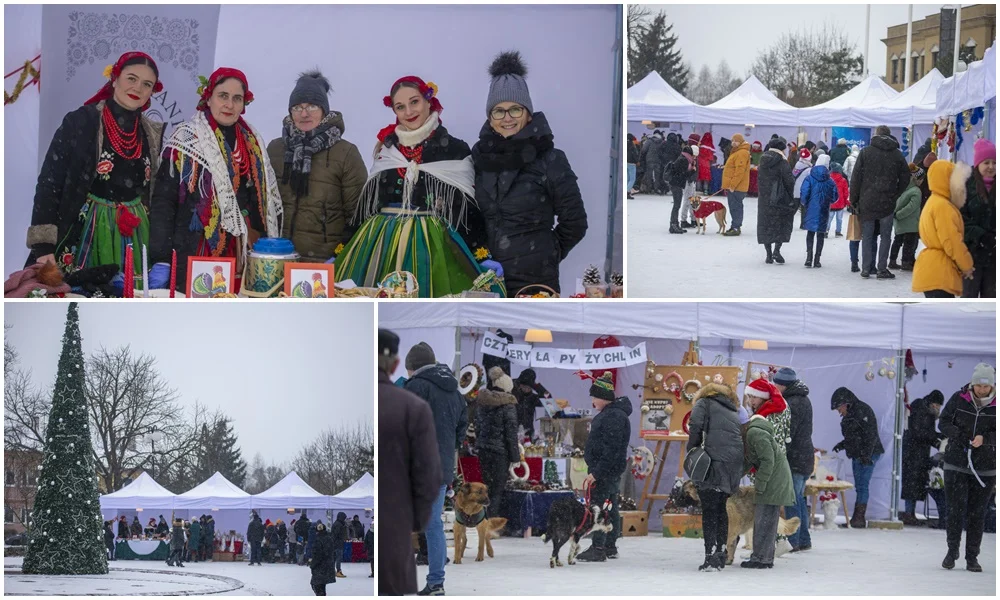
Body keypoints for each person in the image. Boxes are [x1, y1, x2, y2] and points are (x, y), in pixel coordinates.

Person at [26, 51, 166, 279]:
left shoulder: (151, 132)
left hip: (136, 234)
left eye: (146, 84)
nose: (138, 88)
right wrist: (43, 246)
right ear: (114, 78)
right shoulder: (81, 121)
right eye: (131, 78)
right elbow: (50, 183)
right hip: (84, 233)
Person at [149, 67, 283, 290]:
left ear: (244, 104)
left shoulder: (253, 142)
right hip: (197, 246)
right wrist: (161, 257)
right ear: (208, 98)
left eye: (237, 98)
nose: (229, 105)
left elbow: (259, 198)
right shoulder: (186, 140)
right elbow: (164, 201)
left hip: (243, 249)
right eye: (223, 96)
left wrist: (258, 233)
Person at [471, 51, 587, 297]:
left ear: (528, 113)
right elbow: (472, 217)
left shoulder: (550, 159)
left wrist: (545, 253)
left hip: (535, 280)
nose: (507, 118)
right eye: (499, 111)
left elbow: (575, 222)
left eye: (515, 109)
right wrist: (479, 254)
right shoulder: (479, 159)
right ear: (490, 117)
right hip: (487, 280)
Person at [266, 70, 367, 262]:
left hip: (323, 264)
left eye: (311, 106)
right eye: (297, 107)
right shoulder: (275, 149)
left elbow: (358, 215)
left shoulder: (346, 153)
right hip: (277, 259)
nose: (304, 113)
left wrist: (340, 255)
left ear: (324, 110)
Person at [377, 329, 442, 596]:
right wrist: (412, 522)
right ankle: (437, 579)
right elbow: (427, 476)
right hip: (393, 531)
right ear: (394, 364)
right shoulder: (412, 407)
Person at [403, 341, 466, 596]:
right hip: (441, 467)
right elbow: (462, 428)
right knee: (433, 525)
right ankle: (436, 581)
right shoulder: (455, 391)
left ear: (414, 368)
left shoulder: (416, 387)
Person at [937, 363, 995, 573]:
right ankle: (952, 552)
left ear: (993, 386)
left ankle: (972, 557)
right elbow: (942, 422)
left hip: (985, 469)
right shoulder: (959, 398)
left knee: (977, 514)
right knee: (954, 511)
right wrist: (959, 436)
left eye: (985, 386)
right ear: (972, 383)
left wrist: (986, 438)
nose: (981, 389)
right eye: (978, 385)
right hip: (957, 463)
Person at [686, 380, 744, 571]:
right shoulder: (731, 409)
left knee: (709, 510)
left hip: (712, 463)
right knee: (721, 509)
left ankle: (709, 554)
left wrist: (692, 450)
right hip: (731, 465)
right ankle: (720, 553)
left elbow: (695, 426)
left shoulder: (704, 402)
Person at [741, 379, 796, 569]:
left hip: (771, 473)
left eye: (752, 397)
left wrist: (761, 482)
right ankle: (764, 556)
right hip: (774, 471)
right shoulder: (775, 410)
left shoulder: (767, 417)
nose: (749, 401)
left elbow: (766, 457)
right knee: (767, 518)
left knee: (764, 518)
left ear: (762, 397)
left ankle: (762, 557)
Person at [577, 372, 632, 562]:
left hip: (605, 471)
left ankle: (599, 546)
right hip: (608, 470)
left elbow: (611, 449)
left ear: (603, 397)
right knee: (610, 506)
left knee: (600, 507)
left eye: (594, 397)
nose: (592, 401)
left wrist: (596, 472)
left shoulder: (613, 417)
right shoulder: (612, 414)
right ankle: (609, 545)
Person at [849, 125, 912, 279]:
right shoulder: (897, 154)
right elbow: (905, 177)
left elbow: (855, 178)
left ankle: (865, 268)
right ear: (889, 135)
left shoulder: (865, 152)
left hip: (867, 200)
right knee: (885, 236)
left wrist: (854, 199)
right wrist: (896, 193)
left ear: (876, 135)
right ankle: (881, 269)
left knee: (868, 236)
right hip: (887, 201)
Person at [912, 160, 975, 298]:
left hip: (933, 269)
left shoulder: (935, 201)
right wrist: (966, 265)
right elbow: (952, 241)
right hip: (939, 273)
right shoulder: (943, 207)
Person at [830, 387, 885, 528]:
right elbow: (853, 437)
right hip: (859, 453)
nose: (839, 412)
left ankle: (859, 518)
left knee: (862, 485)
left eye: (838, 409)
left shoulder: (863, 411)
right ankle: (857, 517)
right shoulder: (852, 414)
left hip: (868, 453)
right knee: (860, 486)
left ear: (845, 403)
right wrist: (841, 445)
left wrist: (867, 455)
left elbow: (870, 435)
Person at [773, 368, 814, 552]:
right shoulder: (803, 399)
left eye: (777, 384)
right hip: (804, 456)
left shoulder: (792, 402)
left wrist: (780, 452)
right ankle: (803, 539)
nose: (775, 387)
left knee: (792, 500)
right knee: (799, 498)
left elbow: (789, 432)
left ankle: (794, 539)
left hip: (796, 458)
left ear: (783, 385)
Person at [475, 366, 521, 517]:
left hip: (483, 450)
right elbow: (511, 434)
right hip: (500, 453)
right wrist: (515, 457)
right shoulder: (508, 406)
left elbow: (478, 427)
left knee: (486, 487)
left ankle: (482, 520)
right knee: (497, 490)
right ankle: (491, 523)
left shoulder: (483, 402)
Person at [900, 390, 945, 525]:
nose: (938, 408)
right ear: (932, 403)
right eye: (937, 405)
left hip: (914, 453)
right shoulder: (924, 411)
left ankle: (910, 513)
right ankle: (909, 514)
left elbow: (923, 433)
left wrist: (936, 438)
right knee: (912, 484)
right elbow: (922, 433)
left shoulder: (921, 409)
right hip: (915, 454)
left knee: (912, 484)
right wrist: (936, 438)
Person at [961, 138, 996, 298]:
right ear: (977, 164)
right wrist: (980, 235)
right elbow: (960, 218)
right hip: (971, 254)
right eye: (986, 162)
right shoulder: (966, 187)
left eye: (994, 163)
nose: (991, 167)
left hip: (995, 256)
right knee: (969, 299)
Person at [756, 137, 796, 264]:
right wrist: (791, 194)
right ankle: (777, 251)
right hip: (780, 199)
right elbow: (789, 180)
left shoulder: (763, 160)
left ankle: (768, 254)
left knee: (766, 224)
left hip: (764, 199)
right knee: (780, 224)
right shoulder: (782, 161)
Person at [800, 154, 837, 268]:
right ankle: (817, 259)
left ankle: (808, 257)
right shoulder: (830, 180)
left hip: (811, 208)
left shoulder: (809, 177)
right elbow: (835, 196)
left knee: (810, 233)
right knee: (820, 234)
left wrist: (805, 203)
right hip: (824, 209)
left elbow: (804, 192)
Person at [888, 164, 925, 271]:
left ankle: (892, 260)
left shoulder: (903, 188)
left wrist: (897, 214)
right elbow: (912, 207)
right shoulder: (916, 191)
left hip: (899, 222)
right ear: (916, 178)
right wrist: (900, 214)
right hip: (911, 223)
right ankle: (906, 262)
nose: (922, 181)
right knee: (909, 244)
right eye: (921, 178)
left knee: (897, 241)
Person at [721, 133, 751, 236]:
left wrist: (732, 185)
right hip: (735, 187)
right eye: (732, 140)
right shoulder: (736, 151)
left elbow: (739, 171)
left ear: (741, 142)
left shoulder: (741, 153)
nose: (733, 142)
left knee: (735, 207)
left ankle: (735, 227)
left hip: (737, 187)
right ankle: (735, 226)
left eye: (736, 141)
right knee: (734, 207)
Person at [667, 142, 696, 234]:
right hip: (676, 185)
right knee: (677, 205)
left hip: (675, 184)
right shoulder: (684, 160)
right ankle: (673, 225)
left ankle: (675, 224)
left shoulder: (682, 158)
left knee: (677, 205)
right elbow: (682, 175)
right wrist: (692, 171)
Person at [513, 368, 549, 438]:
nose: (526, 389)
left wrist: (537, 386)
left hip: (528, 433)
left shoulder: (533, 398)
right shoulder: (513, 395)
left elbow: (548, 400)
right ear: (520, 385)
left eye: (529, 387)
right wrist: (516, 382)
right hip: (513, 432)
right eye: (524, 387)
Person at [309, 521, 338, 596]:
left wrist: (312, 565)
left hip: (320, 567)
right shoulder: (329, 539)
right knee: (322, 586)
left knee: (316, 586)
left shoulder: (317, 540)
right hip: (328, 566)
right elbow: (332, 553)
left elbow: (318, 555)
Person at [827, 163, 850, 238]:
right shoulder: (843, 180)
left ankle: (826, 231)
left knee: (829, 218)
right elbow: (846, 192)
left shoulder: (828, 179)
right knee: (839, 219)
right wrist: (846, 201)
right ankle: (838, 231)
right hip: (840, 202)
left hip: (831, 202)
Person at [330, 512, 349, 578]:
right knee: (338, 558)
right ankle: (338, 571)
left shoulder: (336, 523)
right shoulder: (339, 524)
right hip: (338, 543)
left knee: (334, 558)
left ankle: (332, 571)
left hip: (335, 543)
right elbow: (337, 534)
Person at [626, 133, 639, 199]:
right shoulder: (632, 145)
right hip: (631, 163)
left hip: (626, 162)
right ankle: (627, 192)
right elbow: (634, 154)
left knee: (627, 178)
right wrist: (637, 161)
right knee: (632, 179)